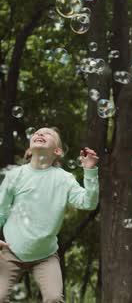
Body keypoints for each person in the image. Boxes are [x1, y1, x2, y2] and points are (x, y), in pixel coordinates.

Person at [0, 127, 99, 303]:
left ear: (57, 151)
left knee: (54, 298)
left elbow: (88, 203)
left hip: (46, 255)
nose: (40, 134)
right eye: (37, 133)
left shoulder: (64, 179)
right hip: (11, 251)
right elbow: (1, 209)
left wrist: (90, 172)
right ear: (29, 150)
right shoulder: (15, 175)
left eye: (48, 134)